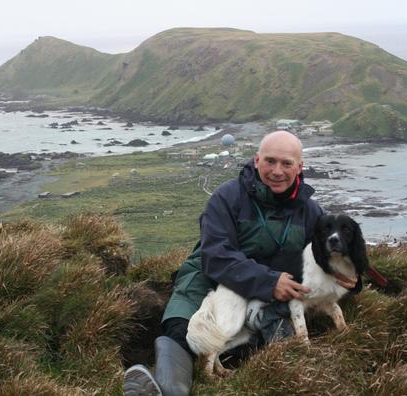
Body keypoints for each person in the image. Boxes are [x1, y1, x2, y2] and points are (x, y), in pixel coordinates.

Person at [123, 131, 358, 396]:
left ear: (299, 167)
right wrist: (268, 281)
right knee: (184, 330)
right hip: (209, 278)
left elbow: (326, 253)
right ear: (256, 160)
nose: (277, 171)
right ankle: (166, 389)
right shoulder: (227, 197)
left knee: (245, 345)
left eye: (287, 163)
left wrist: (347, 276)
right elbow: (215, 255)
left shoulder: (311, 212)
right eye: (270, 161)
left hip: (265, 296)